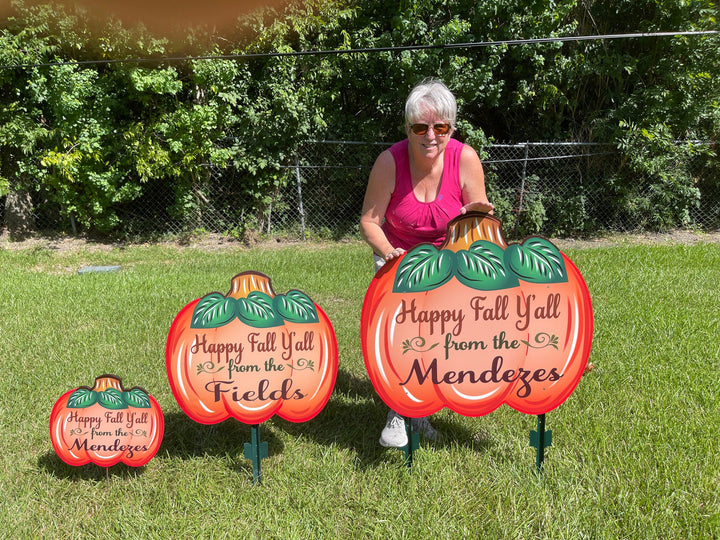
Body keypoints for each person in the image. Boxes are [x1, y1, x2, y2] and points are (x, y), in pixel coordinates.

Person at [359, 78, 494, 448]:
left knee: (439, 341)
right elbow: (370, 221)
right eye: (420, 126)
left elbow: (477, 222)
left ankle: (420, 411)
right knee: (404, 336)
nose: (430, 135)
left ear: (452, 127)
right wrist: (388, 255)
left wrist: (476, 217)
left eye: (441, 126)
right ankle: (399, 412)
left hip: (449, 259)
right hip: (397, 259)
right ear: (408, 128)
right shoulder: (389, 162)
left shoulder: (465, 158)